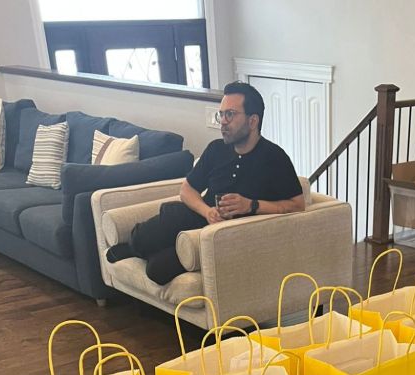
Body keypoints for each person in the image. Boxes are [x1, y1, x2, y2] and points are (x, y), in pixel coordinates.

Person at [105, 81, 305, 285]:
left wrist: (252, 205)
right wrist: (206, 211)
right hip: (200, 216)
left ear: (253, 121)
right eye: (221, 114)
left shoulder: (275, 158)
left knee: (157, 269)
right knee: (141, 236)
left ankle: (145, 250)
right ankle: (135, 247)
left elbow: (298, 205)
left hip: (228, 234)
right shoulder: (216, 149)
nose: (223, 122)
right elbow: (187, 190)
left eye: (230, 115)